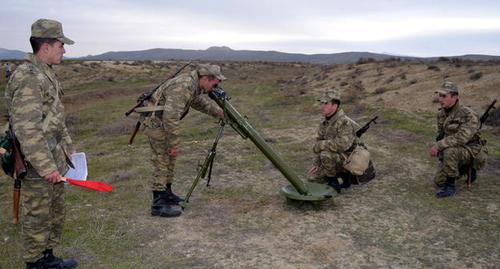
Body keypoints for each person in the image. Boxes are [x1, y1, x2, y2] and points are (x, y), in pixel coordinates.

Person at [5, 19, 78, 269]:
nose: (64, 50)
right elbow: (27, 129)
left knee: (54, 212)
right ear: (45, 46)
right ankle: (35, 263)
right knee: (38, 214)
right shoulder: (28, 77)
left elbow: (55, 115)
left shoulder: (46, 73)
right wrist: (47, 168)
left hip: (53, 155)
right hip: (38, 161)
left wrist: (68, 145)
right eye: (61, 45)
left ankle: (47, 257)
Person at [138, 64, 225, 217]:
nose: (216, 87)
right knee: (162, 160)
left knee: (170, 159)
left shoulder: (194, 85)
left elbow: (199, 102)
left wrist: (218, 112)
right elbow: (170, 118)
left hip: (162, 124)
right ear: (205, 78)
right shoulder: (184, 86)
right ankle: (158, 204)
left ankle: (167, 193)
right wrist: (174, 144)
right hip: (156, 125)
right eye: (215, 83)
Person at [308, 89, 374, 193]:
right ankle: (337, 175)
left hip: (348, 159)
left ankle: (335, 181)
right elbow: (320, 140)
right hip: (335, 157)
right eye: (321, 103)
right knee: (313, 179)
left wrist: (320, 145)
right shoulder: (324, 122)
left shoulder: (344, 122)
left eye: (326, 103)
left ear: (335, 106)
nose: (322, 106)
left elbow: (341, 145)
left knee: (326, 154)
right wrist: (317, 162)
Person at [430, 81, 487, 198]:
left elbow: (462, 138)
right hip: (456, 149)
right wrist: (440, 150)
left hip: (472, 150)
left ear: (455, 97)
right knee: (438, 181)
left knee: (449, 151)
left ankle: (450, 187)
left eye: (444, 96)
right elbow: (442, 135)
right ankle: (465, 169)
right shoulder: (441, 114)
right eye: (439, 95)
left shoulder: (467, 114)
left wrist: (439, 146)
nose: (440, 99)